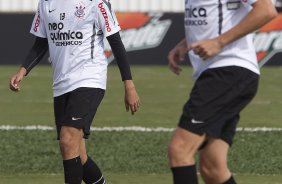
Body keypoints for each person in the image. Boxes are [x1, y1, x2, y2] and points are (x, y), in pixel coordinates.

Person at [9, 0, 140, 184]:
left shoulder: (97, 3)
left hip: (90, 78)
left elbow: (115, 41)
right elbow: (41, 42)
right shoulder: (45, 3)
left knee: (67, 140)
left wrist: (129, 85)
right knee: (78, 153)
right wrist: (22, 71)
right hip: (61, 84)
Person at [167, 0, 277, 184]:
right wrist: (186, 43)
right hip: (225, 74)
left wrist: (219, 42)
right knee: (213, 168)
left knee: (179, 150)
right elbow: (212, 17)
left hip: (228, 71)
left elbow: (266, 10)